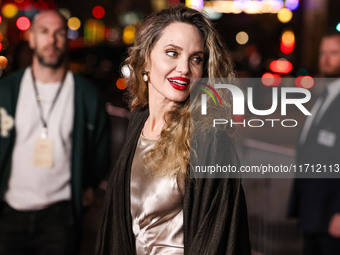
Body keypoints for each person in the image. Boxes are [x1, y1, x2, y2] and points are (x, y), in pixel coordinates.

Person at [96, 5, 250, 255]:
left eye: (196, 58)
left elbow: (217, 238)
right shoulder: (138, 123)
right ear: (147, 58)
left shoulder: (209, 139)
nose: (184, 69)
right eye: (172, 53)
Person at [0, 9, 110, 255]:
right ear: (31, 38)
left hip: (60, 215)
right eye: (44, 32)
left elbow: (101, 149)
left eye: (59, 33)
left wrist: (88, 185)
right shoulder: (6, 91)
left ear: (67, 39)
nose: (52, 40)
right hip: (8, 212)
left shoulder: (86, 94)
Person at [288, 32, 340, 254]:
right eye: (322, 53)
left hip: (333, 217)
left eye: (334, 53)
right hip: (313, 212)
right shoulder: (323, 95)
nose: (326, 59)